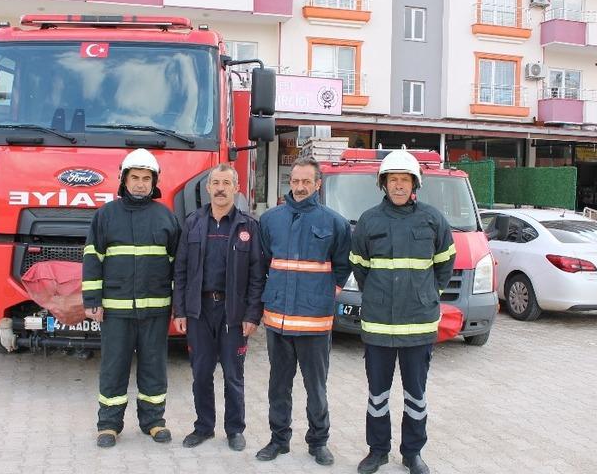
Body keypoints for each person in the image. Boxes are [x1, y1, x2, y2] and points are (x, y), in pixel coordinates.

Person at [349, 150, 456, 474]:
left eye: (404, 179)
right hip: (378, 324)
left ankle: (413, 454)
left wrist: (428, 295)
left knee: (416, 395)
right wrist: (378, 296)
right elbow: (360, 267)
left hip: (418, 324)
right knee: (377, 394)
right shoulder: (369, 220)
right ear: (384, 184)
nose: (398, 185)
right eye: (392, 179)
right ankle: (378, 451)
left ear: (414, 184)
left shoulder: (433, 220)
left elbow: (445, 264)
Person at [82, 148, 181, 448]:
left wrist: (179, 305)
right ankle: (108, 425)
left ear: (154, 182)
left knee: (154, 366)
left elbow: (179, 264)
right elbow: (92, 257)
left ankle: (154, 421)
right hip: (116, 311)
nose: (140, 183)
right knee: (114, 366)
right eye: (135, 177)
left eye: (146, 178)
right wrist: (91, 300)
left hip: (155, 310)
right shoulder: (106, 216)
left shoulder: (166, 217)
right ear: (123, 180)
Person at [256, 156, 351, 466]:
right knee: (278, 386)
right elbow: (262, 265)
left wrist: (326, 294)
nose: (299, 187)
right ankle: (278, 439)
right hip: (278, 321)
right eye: (295, 181)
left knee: (316, 388)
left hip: (314, 321)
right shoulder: (271, 220)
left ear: (317, 184)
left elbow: (342, 266)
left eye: (305, 182)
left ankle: (318, 442)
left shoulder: (334, 222)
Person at [172, 163, 266, 452]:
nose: (221, 188)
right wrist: (180, 311)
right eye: (216, 183)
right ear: (208, 188)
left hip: (233, 314)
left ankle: (235, 430)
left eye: (227, 183)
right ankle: (203, 427)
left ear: (236, 188)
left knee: (233, 376)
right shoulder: (193, 223)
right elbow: (181, 270)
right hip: (199, 311)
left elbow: (257, 275)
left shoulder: (248, 226)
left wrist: (252, 315)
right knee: (201, 373)